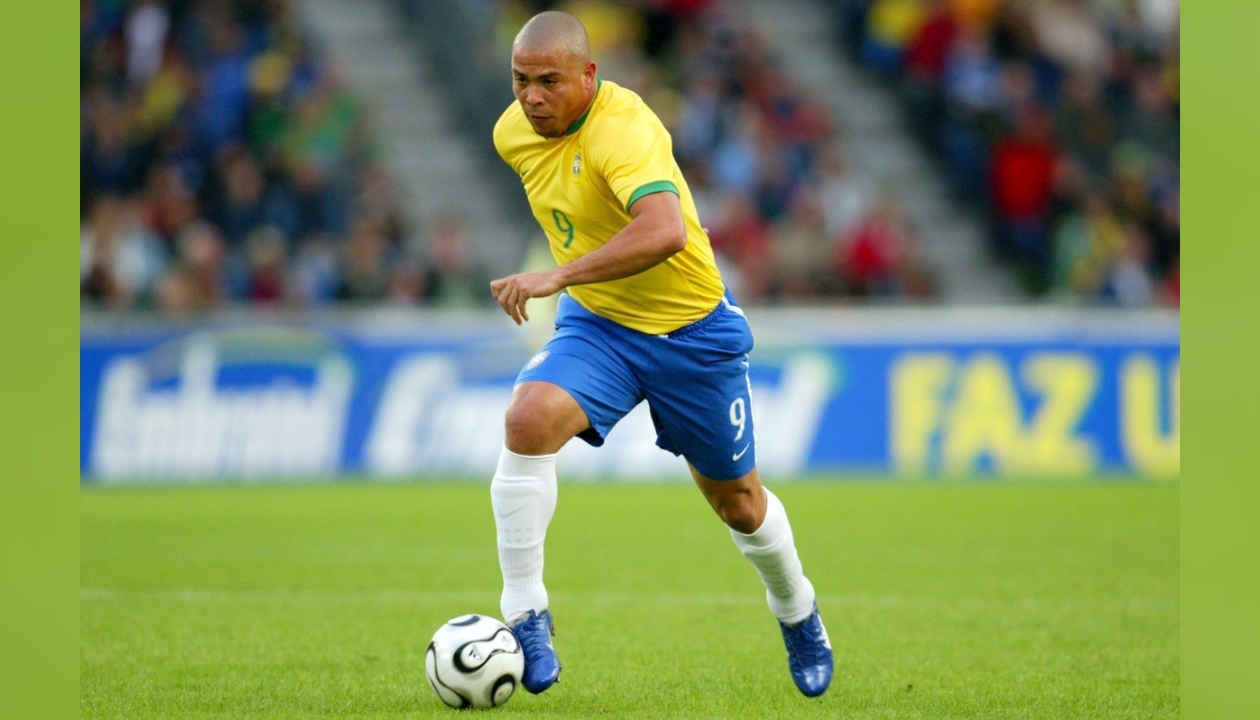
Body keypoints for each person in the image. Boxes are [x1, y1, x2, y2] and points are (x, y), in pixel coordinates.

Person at [486, 12, 832, 698]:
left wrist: (556, 276)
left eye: (549, 81)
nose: (531, 97)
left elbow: (667, 229)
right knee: (527, 420)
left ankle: (798, 612)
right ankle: (524, 614)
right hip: (603, 326)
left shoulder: (624, 127)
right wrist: (577, 282)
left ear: (589, 75)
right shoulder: (511, 135)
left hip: (691, 333)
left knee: (738, 504)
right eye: (521, 81)